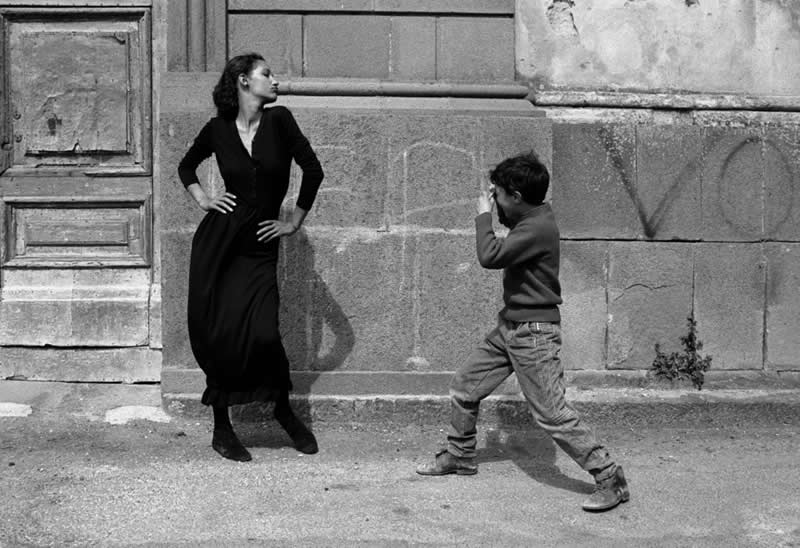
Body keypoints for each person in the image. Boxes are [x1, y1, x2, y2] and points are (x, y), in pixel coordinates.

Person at [415, 152, 630, 512]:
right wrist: (495, 204)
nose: (494, 200)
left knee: (552, 414)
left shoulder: (537, 227)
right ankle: (460, 455)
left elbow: (490, 255)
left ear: (515, 196)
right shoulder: (531, 217)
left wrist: (483, 213)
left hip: (533, 334)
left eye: (498, 194)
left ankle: (610, 477)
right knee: (464, 387)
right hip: (510, 327)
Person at [177, 53, 324, 462]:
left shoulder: (281, 121)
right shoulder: (218, 129)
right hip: (218, 246)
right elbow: (186, 166)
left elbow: (313, 170)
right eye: (267, 74)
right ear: (244, 81)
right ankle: (222, 429)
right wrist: (205, 199)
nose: (275, 80)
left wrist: (293, 222)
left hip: (259, 246)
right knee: (219, 334)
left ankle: (281, 410)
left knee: (263, 333)